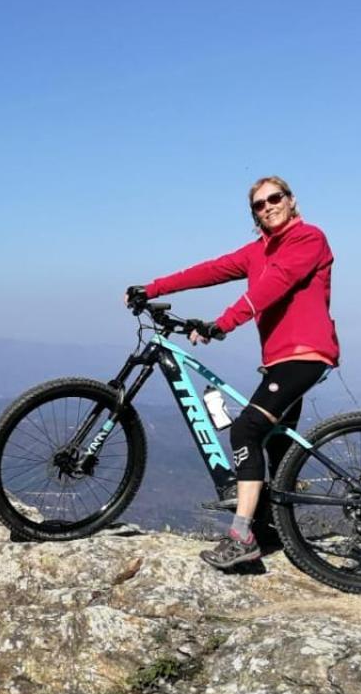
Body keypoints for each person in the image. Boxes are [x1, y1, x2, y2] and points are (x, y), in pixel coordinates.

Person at [125, 176, 339, 570]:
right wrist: (152, 289)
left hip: (306, 354)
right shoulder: (258, 250)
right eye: (258, 205)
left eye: (274, 199)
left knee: (245, 430)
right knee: (274, 444)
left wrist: (223, 323)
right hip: (280, 359)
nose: (268, 207)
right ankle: (269, 528)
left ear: (291, 201)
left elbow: (273, 286)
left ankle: (241, 537)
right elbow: (210, 270)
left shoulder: (308, 239)